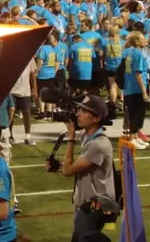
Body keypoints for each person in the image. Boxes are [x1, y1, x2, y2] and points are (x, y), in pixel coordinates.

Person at [55, 95, 116, 240]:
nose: (78, 114)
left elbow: (68, 171)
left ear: (96, 118)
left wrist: (70, 137)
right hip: (85, 204)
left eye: (84, 111)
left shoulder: (98, 145)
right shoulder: (86, 136)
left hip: (93, 209)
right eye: (79, 109)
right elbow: (81, 167)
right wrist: (58, 166)